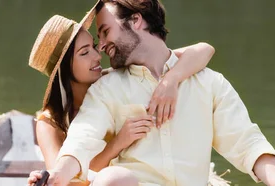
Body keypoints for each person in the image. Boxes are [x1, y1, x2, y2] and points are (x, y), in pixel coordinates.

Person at [46, 0, 275, 185]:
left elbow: (249, 144)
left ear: (136, 20)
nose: (101, 46)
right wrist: (56, 176)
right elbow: (82, 140)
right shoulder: (106, 89)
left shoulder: (208, 83)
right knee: (112, 179)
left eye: (106, 32)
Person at [25, 13, 215, 185]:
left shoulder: (115, 81)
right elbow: (63, 180)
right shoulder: (50, 122)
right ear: (65, 69)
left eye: (93, 46)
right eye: (84, 53)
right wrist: (119, 142)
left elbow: (204, 50)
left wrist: (171, 81)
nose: (97, 56)